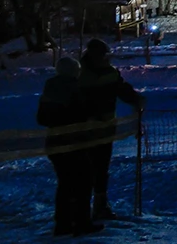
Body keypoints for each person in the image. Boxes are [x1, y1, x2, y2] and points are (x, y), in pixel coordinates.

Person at [78, 38, 144, 220]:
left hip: (104, 129)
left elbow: (122, 90)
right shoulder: (80, 74)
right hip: (84, 130)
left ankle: (99, 205)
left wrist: (135, 99)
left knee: (100, 169)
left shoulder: (107, 73)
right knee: (85, 170)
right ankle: (81, 210)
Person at [39, 57, 103, 237]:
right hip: (75, 143)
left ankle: (63, 224)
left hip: (54, 143)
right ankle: (82, 222)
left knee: (65, 184)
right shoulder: (75, 88)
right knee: (83, 182)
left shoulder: (49, 88)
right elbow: (84, 113)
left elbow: (42, 118)